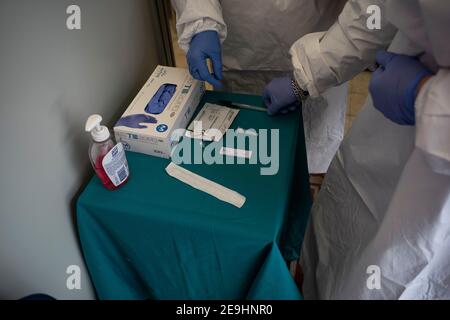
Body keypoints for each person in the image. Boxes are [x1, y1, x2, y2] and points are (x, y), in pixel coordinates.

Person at [284, 0, 449, 299]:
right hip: (391, 133)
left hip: (439, 188)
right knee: (337, 255)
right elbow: (378, 9)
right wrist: (305, 77)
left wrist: (428, 98)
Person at [170, 0, 348, 175]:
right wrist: (200, 20)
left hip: (319, 44)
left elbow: (361, 19)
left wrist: (310, 75)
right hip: (239, 44)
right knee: (238, 156)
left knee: (306, 157)